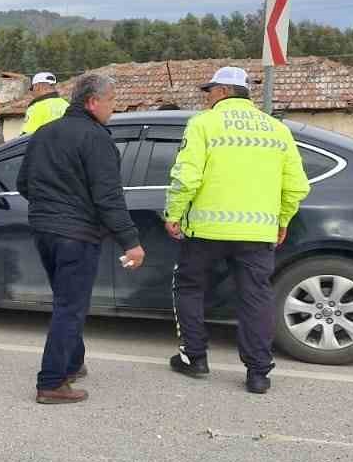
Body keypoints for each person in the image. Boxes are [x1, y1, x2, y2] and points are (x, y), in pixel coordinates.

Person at [164, 66, 310, 395]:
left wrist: (173, 213)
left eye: (210, 90)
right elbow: (296, 186)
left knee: (188, 287)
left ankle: (194, 357)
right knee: (255, 298)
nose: (208, 97)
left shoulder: (203, 123)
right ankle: (258, 373)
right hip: (257, 233)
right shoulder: (276, 130)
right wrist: (282, 220)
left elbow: (187, 176)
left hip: (206, 230)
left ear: (224, 92)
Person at [16, 74, 145, 404]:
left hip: (44, 230)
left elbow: (23, 184)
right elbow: (108, 197)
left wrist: (49, 209)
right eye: (111, 102)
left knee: (66, 300)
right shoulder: (97, 138)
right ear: (92, 102)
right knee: (70, 307)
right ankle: (52, 382)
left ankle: (72, 363)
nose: (114, 109)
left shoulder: (45, 133)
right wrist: (131, 241)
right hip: (77, 233)